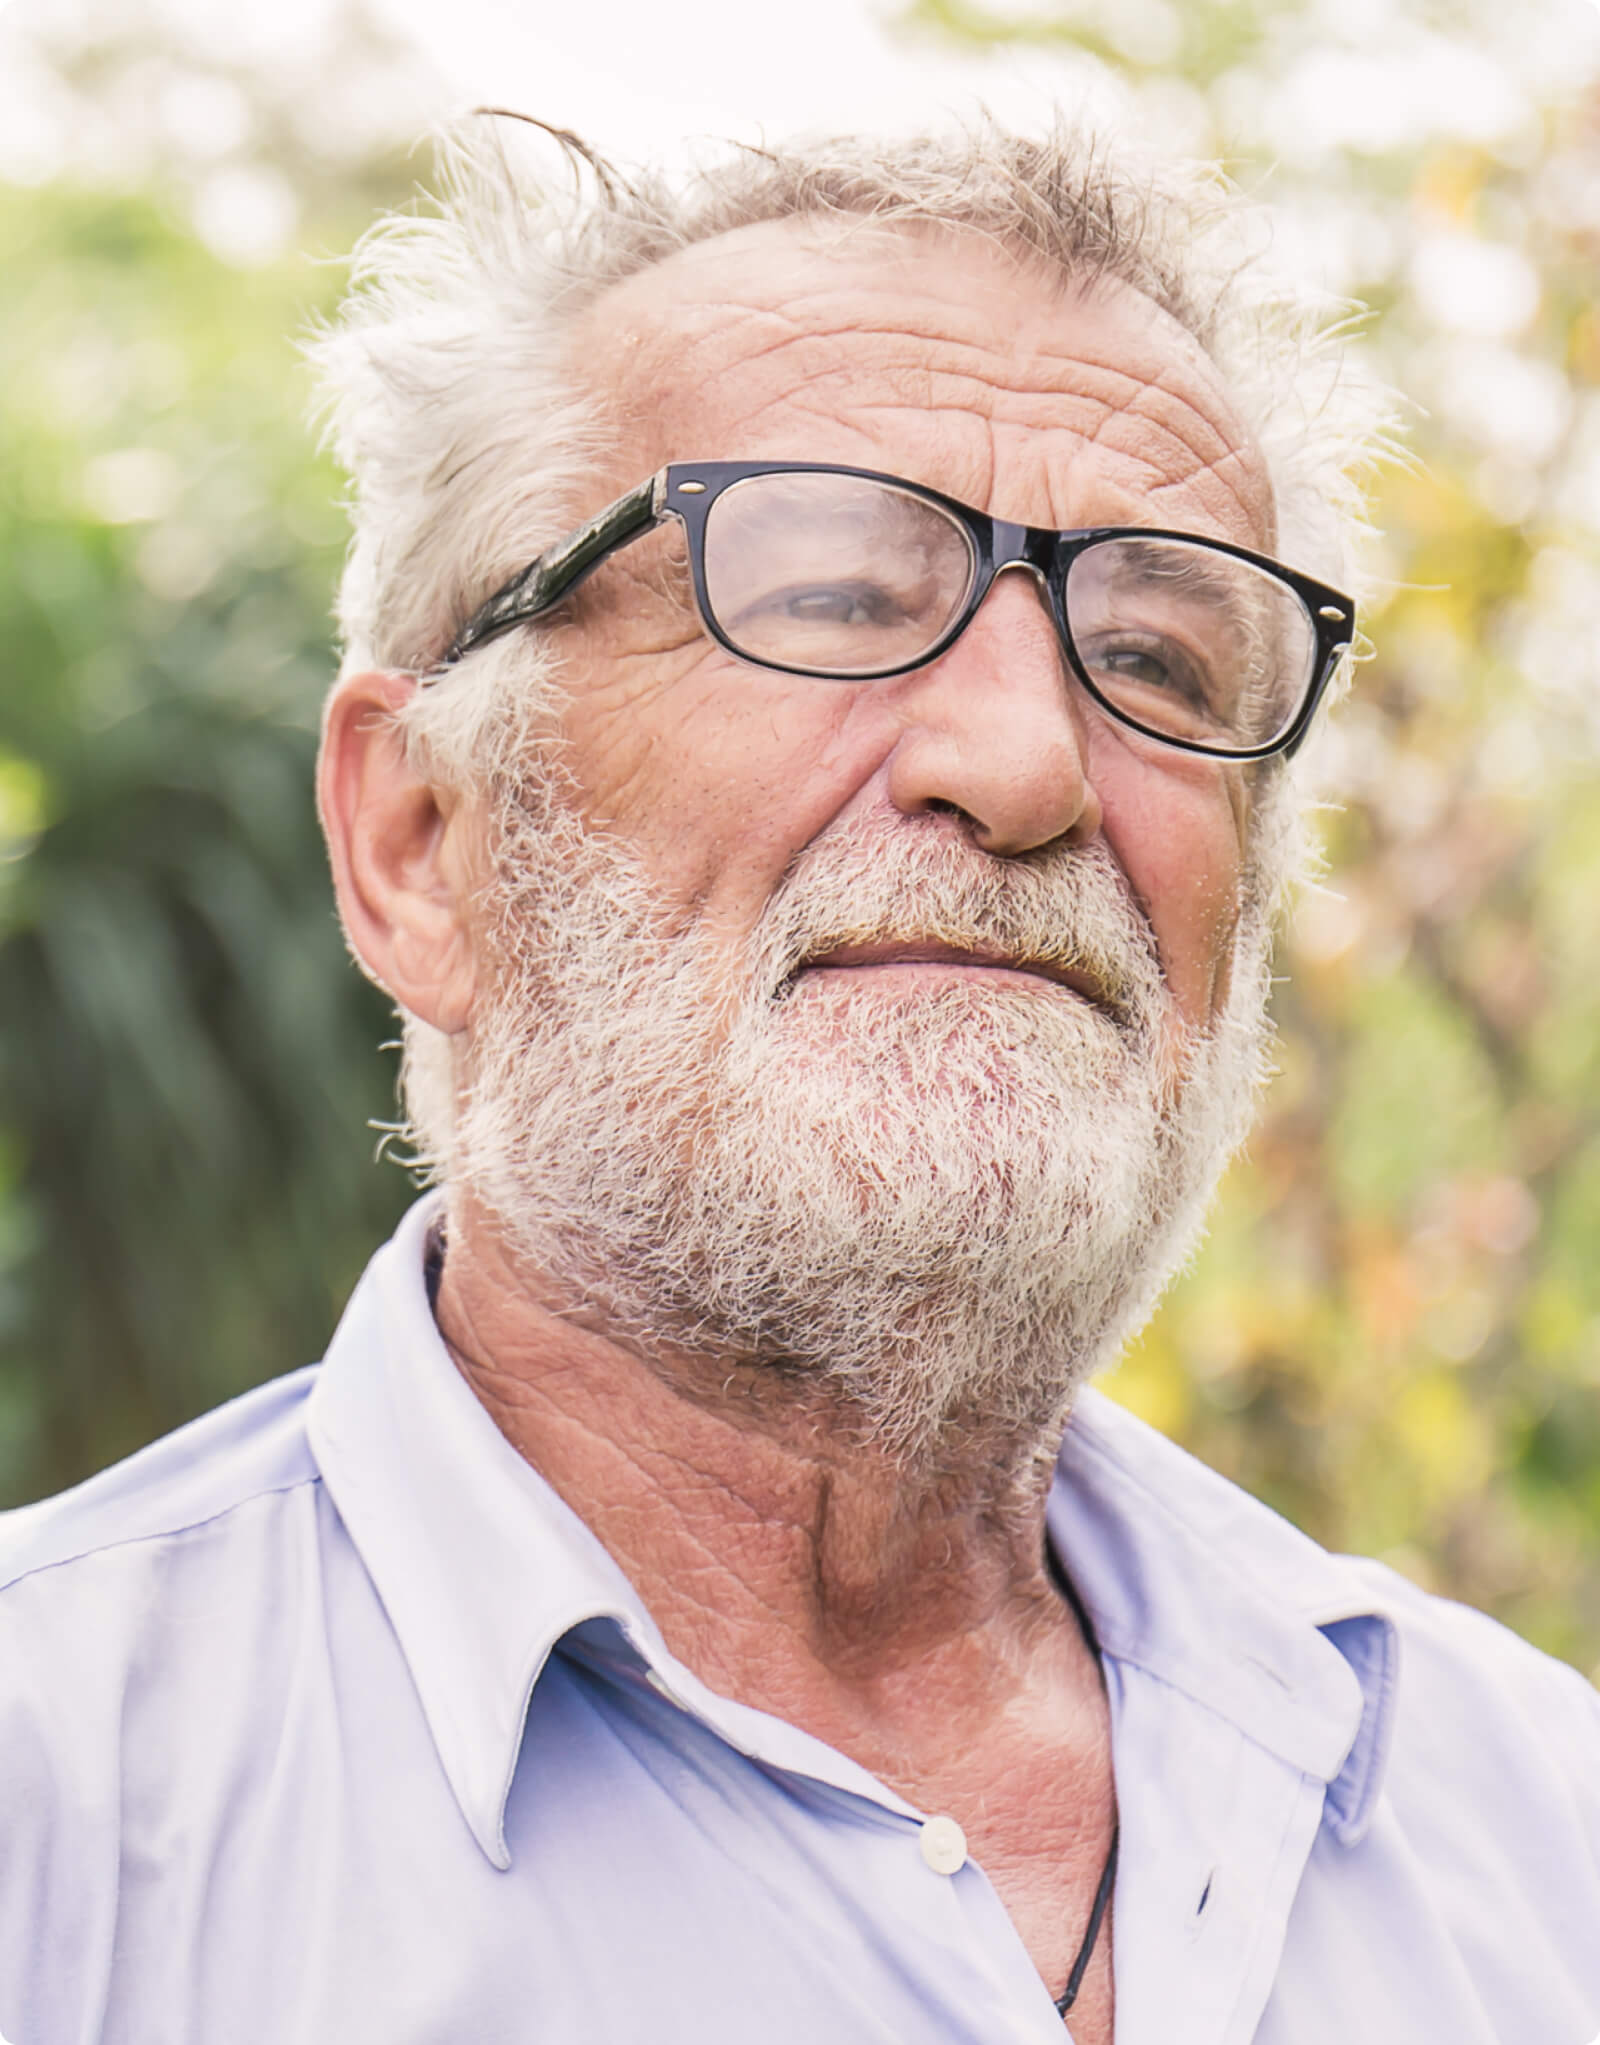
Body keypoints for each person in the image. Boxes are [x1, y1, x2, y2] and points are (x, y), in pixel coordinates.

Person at [2, 114, 1597, 2045]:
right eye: (835, 591)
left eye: (1163, 660)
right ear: (423, 839)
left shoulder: (1529, 1824)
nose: (1026, 763)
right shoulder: (64, 1810)